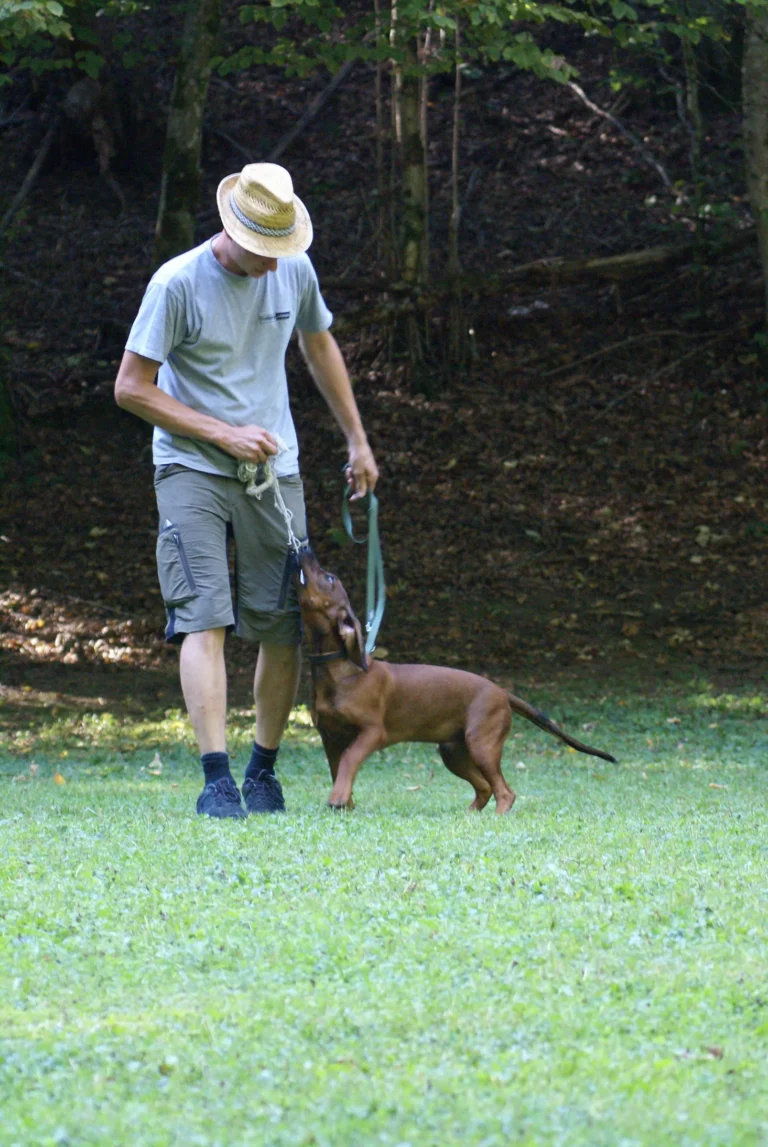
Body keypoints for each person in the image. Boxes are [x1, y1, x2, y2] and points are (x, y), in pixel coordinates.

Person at [114, 162, 379, 819]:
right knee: (204, 614)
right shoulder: (176, 284)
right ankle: (216, 780)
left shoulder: (293, 268)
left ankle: (262, 770)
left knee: (283, 624)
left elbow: (319, 346)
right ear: (233, 231)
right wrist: (221, 433)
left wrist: (357, 440)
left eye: (281, 251)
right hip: (191, 466)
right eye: (264, 252)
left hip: (274, 470)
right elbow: (131, 387)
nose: (273, 266)